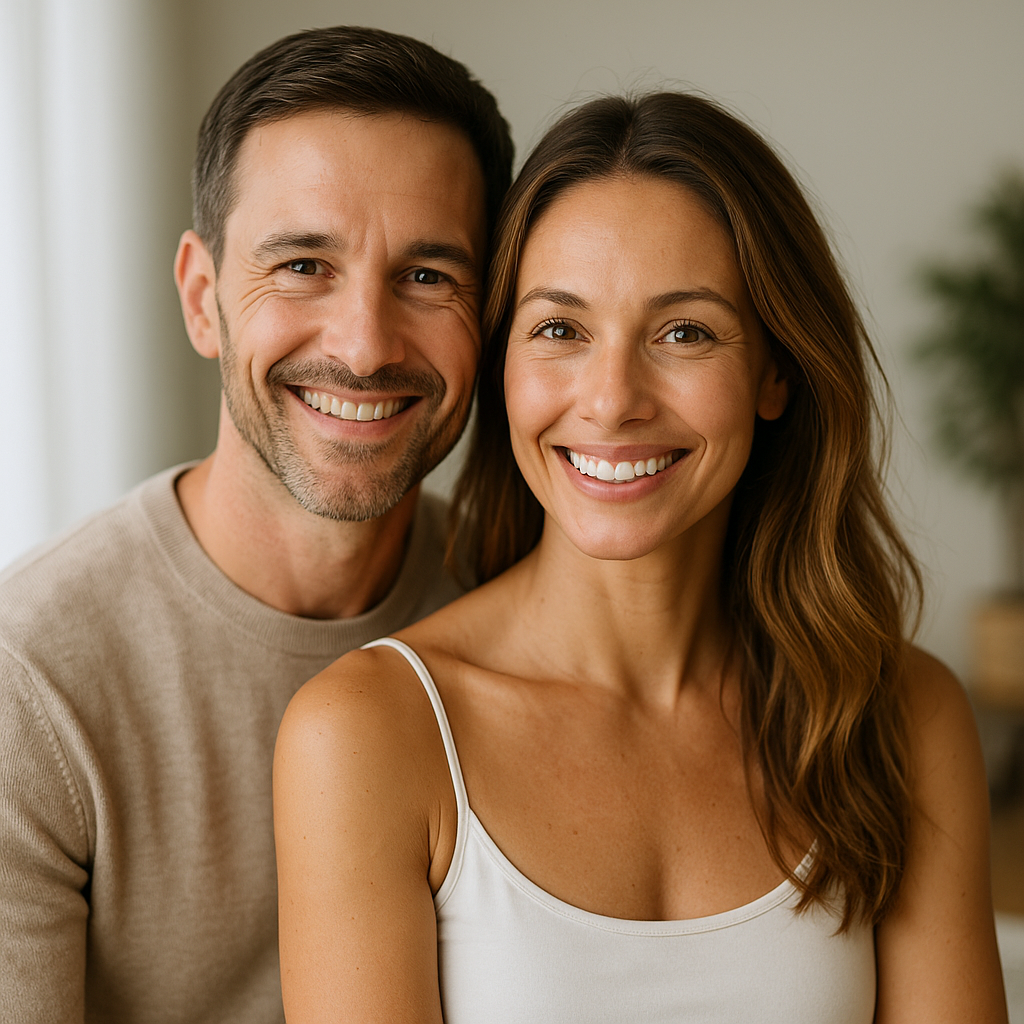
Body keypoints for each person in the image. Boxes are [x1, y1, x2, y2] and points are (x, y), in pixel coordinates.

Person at [274, 92, 1008, 1023]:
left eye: (684, 332)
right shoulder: (371, 734)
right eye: (560, 330)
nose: (613, 400)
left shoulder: (901, 719)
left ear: (775, 371)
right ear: (504, 365)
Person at [0, 26, 512, 1024]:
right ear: (203, 298)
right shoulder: (31, 683)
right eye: (303, 265)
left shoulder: (527, 601)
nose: (364, 346)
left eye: (427, 276)